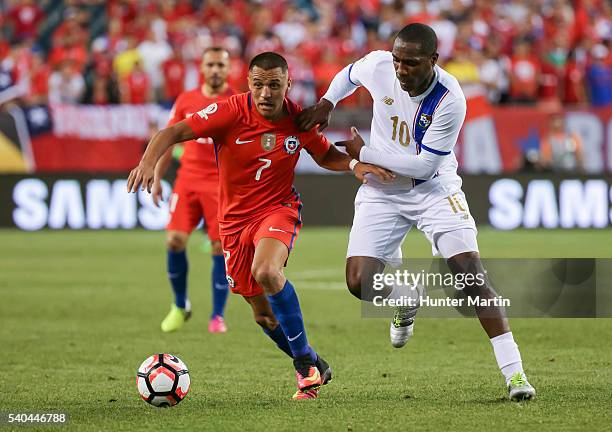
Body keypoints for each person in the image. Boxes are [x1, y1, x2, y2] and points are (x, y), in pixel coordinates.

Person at [128, 52, 393, 399]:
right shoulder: (230, 112)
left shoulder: (299, 119)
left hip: (278, 209)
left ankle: (303, 369)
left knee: (267, 271)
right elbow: (173, 131)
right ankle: (313, 360)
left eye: (274, 85)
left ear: (288, 84)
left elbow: (325, 154)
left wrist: (356, 165)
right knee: (264, 317)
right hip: (234, 222)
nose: (266, 93)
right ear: (248, 84)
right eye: (258, 85)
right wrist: (148, 162)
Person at [296, 23, 536, 401]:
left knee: (471, 277)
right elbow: (348, 75)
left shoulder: (450, 98)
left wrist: (365, 153)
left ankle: (515, 375)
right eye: (397, 61)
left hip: (433, 191)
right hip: (382, 192)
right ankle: (405, 298)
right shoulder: (379, 66)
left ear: (433, 61)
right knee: (359, 281)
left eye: (410, 63)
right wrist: (327, 102)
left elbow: (424, 166)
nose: (401, 71)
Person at [152, 47, 234, 334]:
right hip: (188, 180)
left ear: (228, 69)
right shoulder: (186, 100)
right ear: (201, 67)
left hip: (221, 184)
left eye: (220, 65)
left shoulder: (237, 101)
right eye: (210, 64)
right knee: (174, 240)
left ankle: (217, 315)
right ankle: (179, 305)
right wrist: (158, 177)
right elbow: (169, 138)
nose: (215, 70)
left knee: (219, 247)